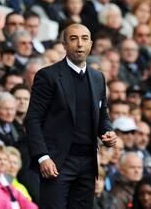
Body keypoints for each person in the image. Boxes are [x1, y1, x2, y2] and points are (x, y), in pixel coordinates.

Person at [25, 23, 117, 209]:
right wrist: (43, 157)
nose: (80, 44)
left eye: (84, 39)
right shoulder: (48, 76)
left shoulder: (98, 78)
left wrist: (107, 132)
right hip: (58, 162)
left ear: (91, 44)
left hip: (88, 163)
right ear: (64, 45)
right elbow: (33, 119)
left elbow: (102, 115)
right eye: (73, 39)